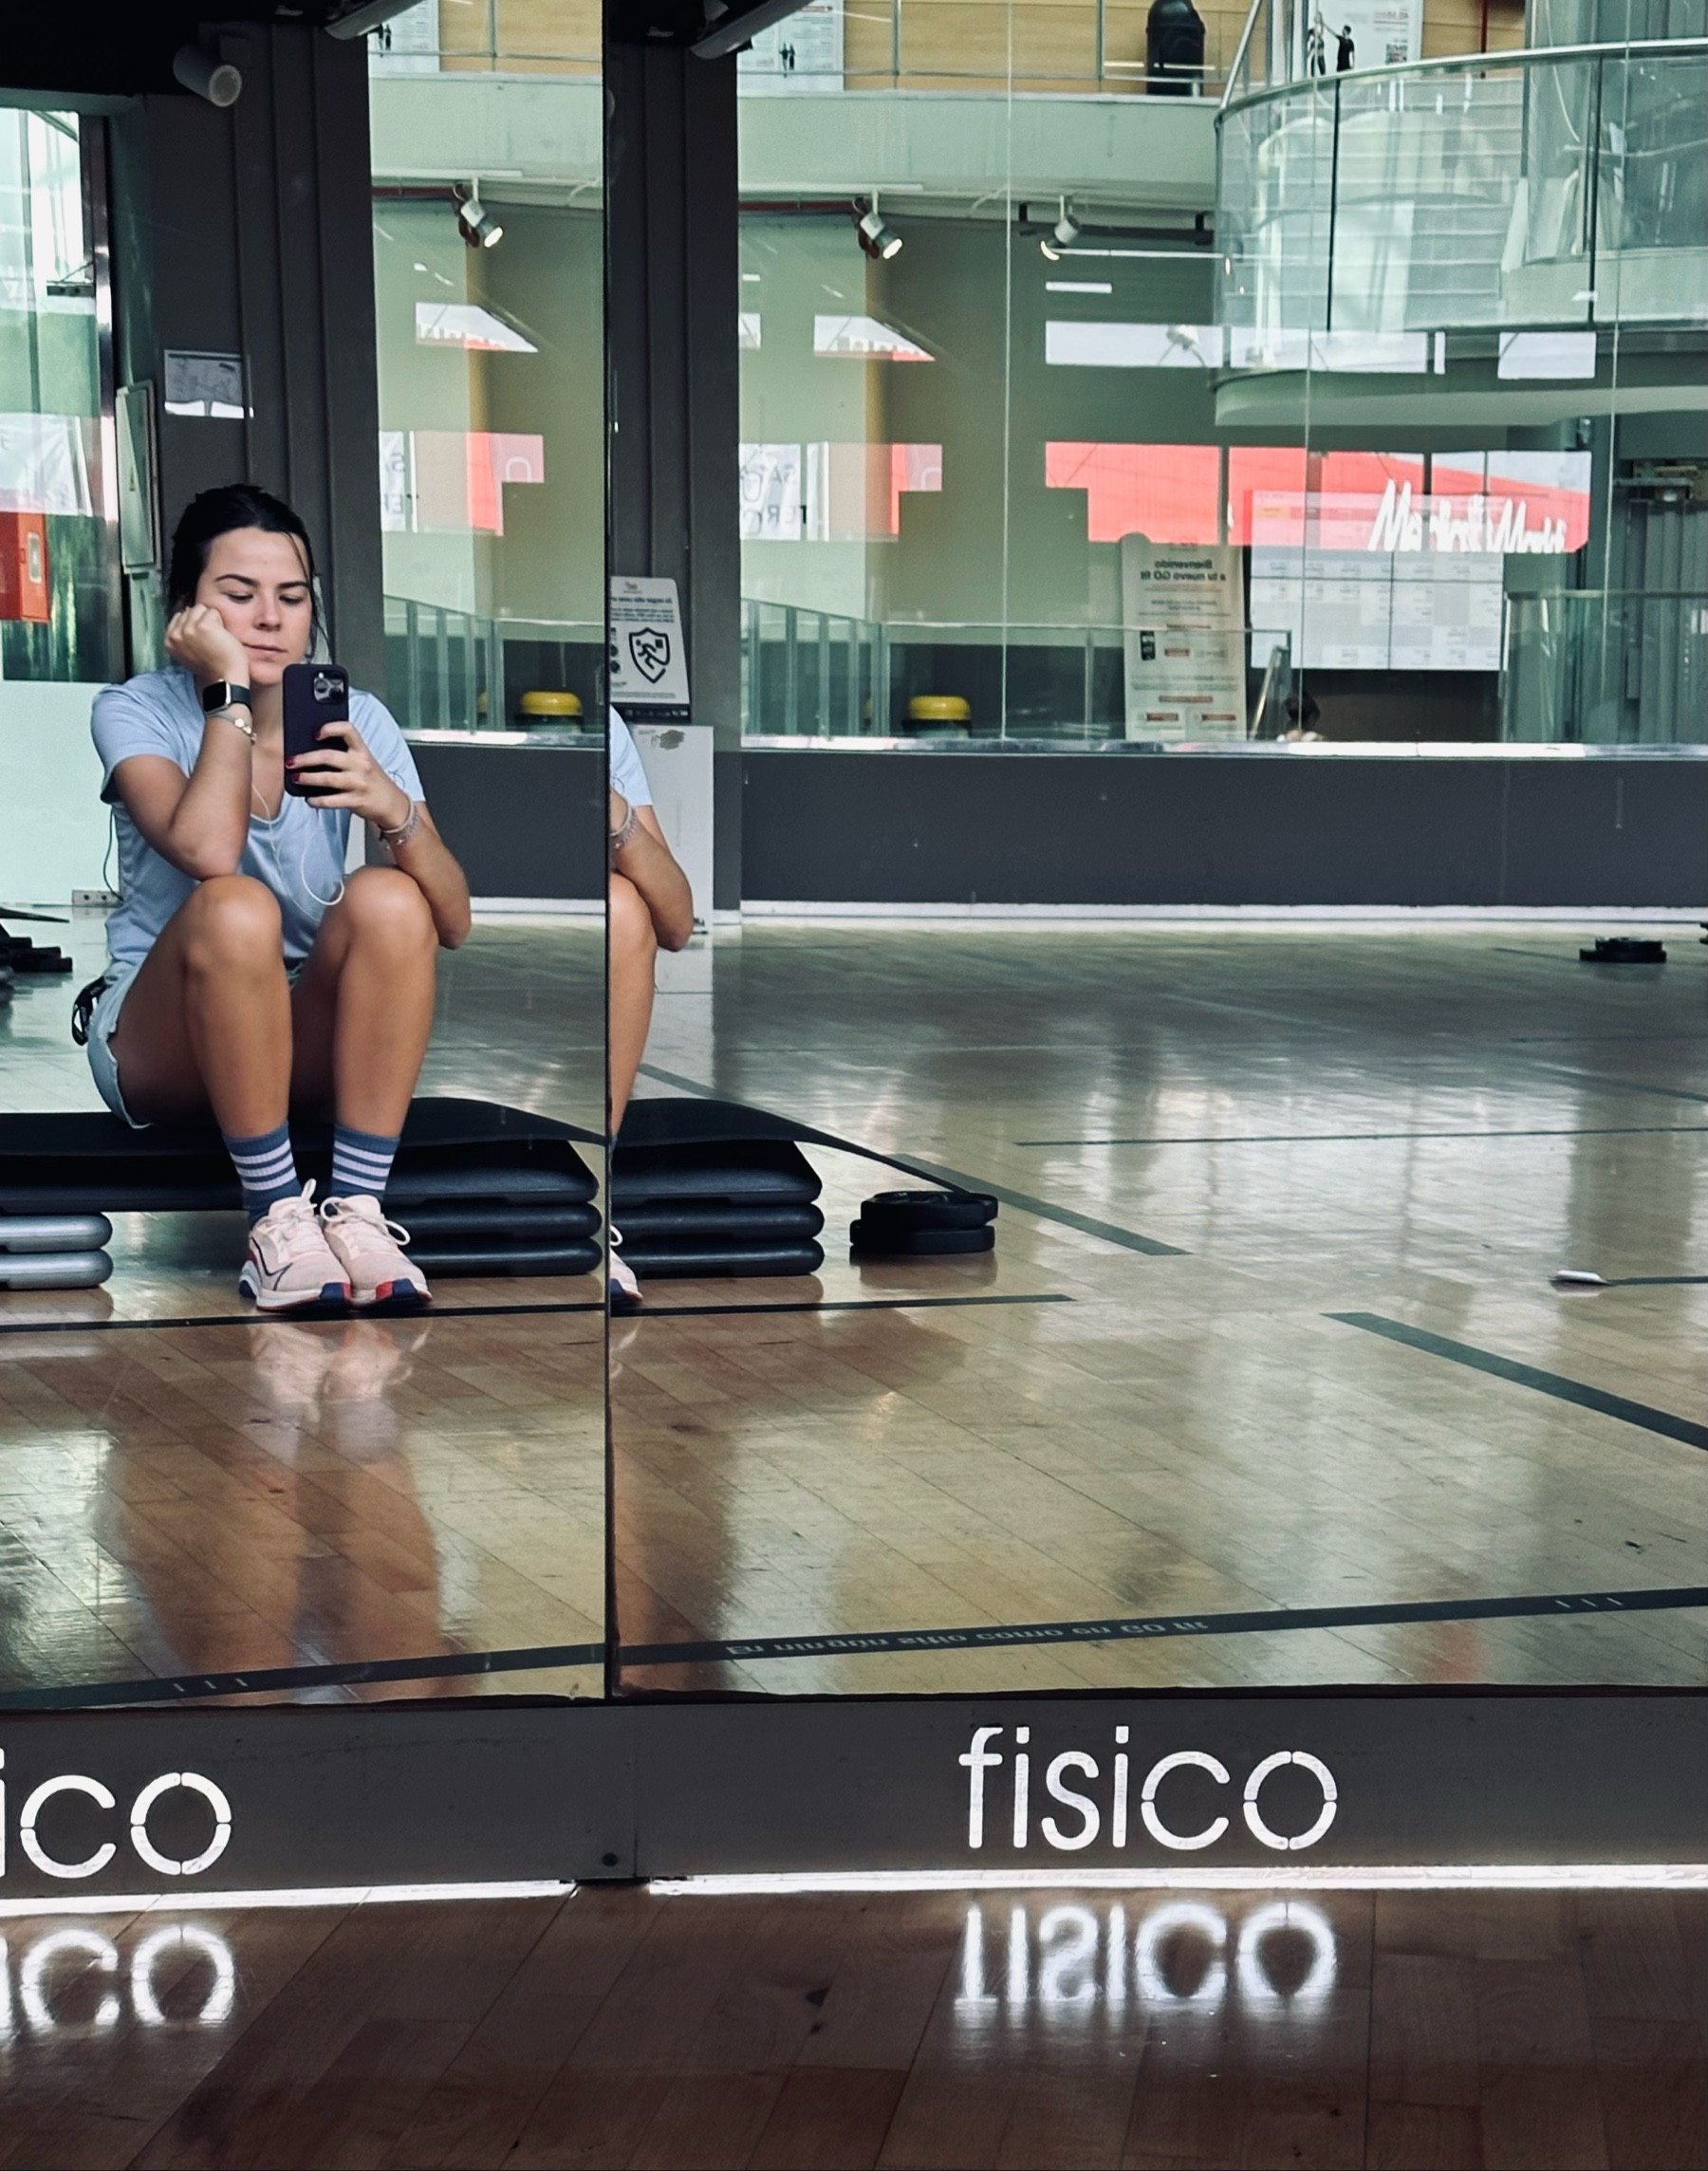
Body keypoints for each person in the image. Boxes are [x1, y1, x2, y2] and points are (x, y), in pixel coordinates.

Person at [81, 483, 471, 1313]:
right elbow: (207, 852)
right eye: (239, 593)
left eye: (291, 598)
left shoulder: (354, 718)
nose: (268, 618)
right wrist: (226, 694)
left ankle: (358, 1211)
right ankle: (275, 1219)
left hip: (295, 1028)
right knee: (236, 906)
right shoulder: (133, 710)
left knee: (391, 898)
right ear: (186, 608)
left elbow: (452, 922)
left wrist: (391, 809)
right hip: (163, 1038)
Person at [607, 712, 694, 1309]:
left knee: (622, 907)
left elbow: (677, 921)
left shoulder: (605, 729)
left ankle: (594, 1197)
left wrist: (618, 817)